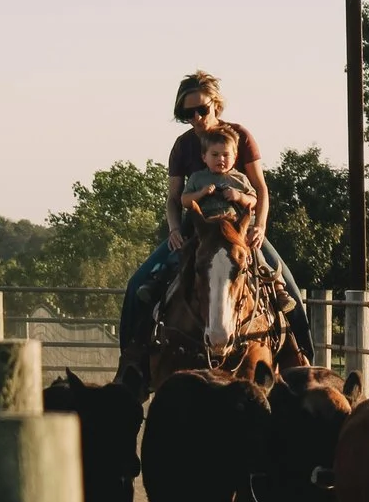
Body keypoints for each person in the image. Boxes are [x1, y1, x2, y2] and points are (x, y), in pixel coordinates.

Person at [118, 71, 311, 384]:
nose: (195, 117)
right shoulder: (182, 147)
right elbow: (173, 198)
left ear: (216, 106)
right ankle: (132, 367)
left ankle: (300, 367)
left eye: (202, 109)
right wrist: (174, 230)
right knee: (138, 283)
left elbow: (260, 190)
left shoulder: (239, 138)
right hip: (196, 230)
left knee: (288, 287)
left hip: (241, 230)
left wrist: (258, 227)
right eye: (186, 112)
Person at [179, 126, 259, 225]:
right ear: (204, 157)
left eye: (225, 155)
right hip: (204, 226)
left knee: (259, 239)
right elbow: (185, 201)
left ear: (234, 157)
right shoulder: (197, 178)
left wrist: (239, 197)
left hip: (234, 225)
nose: (221, 159)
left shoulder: (240, 178)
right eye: (215, 155)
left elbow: (253, 200)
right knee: (178, 238)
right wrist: (201, 193)